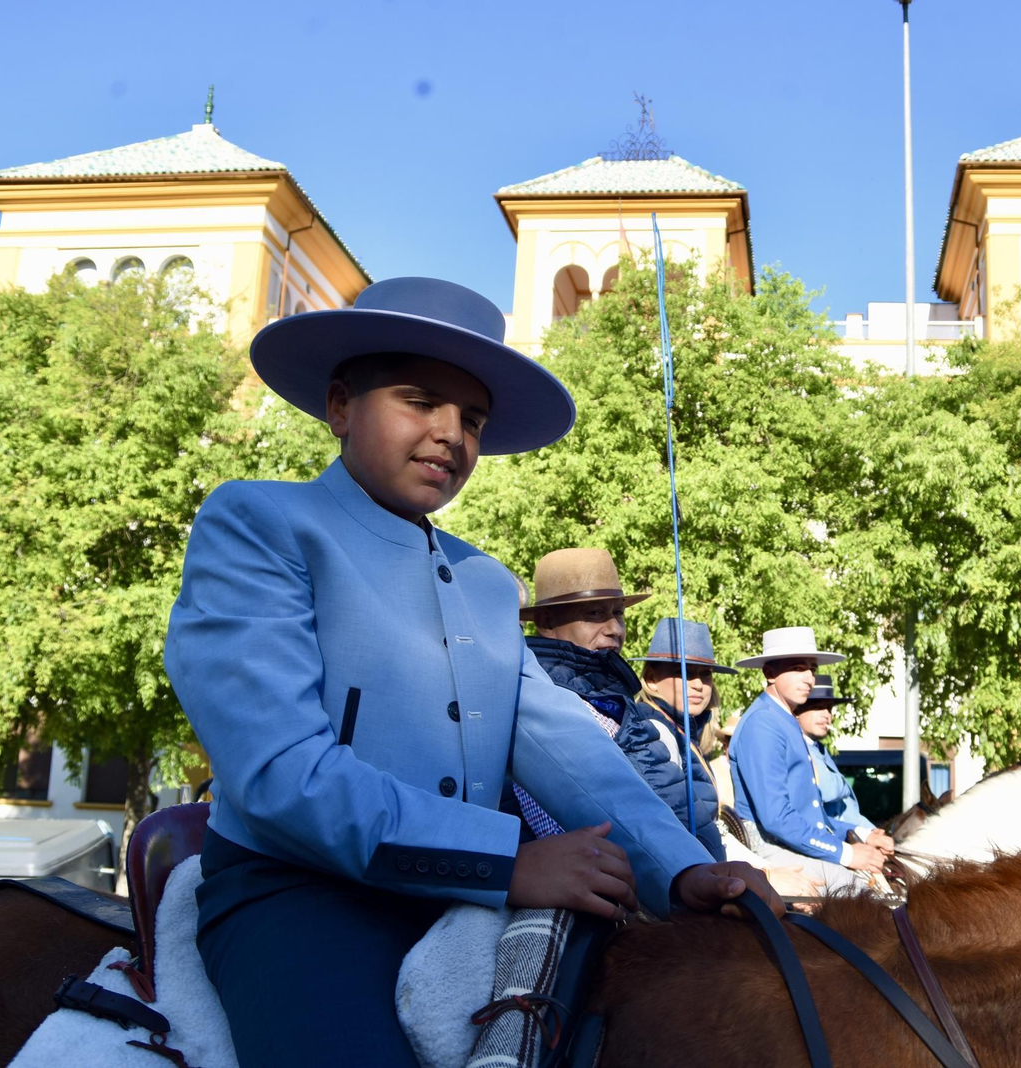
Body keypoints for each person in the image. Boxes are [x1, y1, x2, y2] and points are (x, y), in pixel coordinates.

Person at [164, 277, 779, 1067]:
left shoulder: (486, 580)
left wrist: (683, 868)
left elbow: (559, 741)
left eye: (473, 419)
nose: (450, 434)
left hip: (464, 894)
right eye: (420, 401)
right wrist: (507, 861)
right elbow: (278, 774)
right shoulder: (260, 522)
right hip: (297, 891)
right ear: (341, 406)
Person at [519, 549, 724, 859]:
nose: (615, 628)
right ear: (546, 622)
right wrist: (688, 875)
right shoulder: (548, 703)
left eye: (618, 613)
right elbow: (577, 840)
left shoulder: (611, 699)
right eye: (595, 613)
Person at [634, 618, 825, 899]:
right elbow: (680, 832)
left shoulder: (683, 733)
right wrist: (765, 875)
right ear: (651, 679)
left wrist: (765, 871)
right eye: (683, 672)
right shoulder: (655, 732)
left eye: (705, 674)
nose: (698, 684)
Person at [727, 627, 886, 893]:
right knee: (860, 892)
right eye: (798, 668)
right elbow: (777, 818)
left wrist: (864, 834)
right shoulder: (763, 723)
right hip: (769, 848)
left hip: (794, 842)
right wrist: (846, 854)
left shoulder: (782, 718)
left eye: (812, 669)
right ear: (769, 673)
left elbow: (811, 815)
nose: (809, 678)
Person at [795, 674, 895, 855]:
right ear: (796, 712)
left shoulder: (819, 748)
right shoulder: (796, 746)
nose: (826, 715)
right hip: (817, 844)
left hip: (843, 837)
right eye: (817, 707)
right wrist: (843, 784)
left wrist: (869, 830)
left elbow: (842, 806)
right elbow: (829, 790)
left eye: (829, 708)